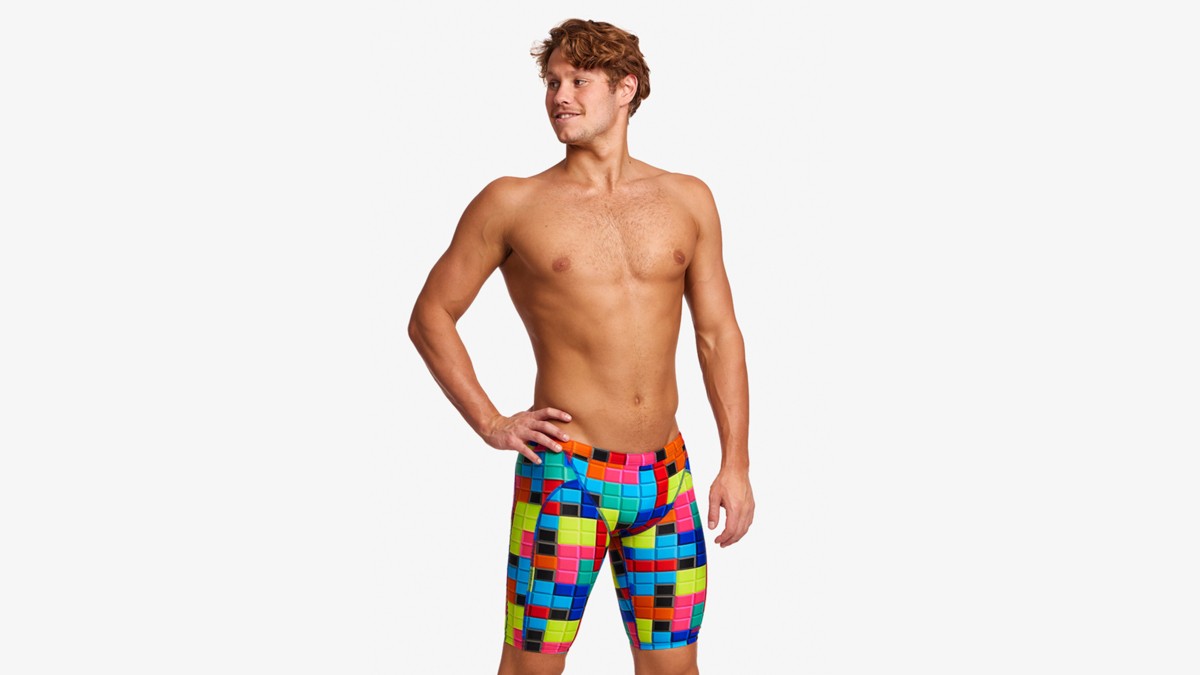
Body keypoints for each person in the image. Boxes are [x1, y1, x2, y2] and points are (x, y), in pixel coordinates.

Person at [409, 18, 754, 675]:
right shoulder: (513, 202)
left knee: (675, 668)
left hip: (666, 479)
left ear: (626, 88)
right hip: (567, 475)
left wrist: (734, 463)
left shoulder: (688, 199)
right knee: (532, 667)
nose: (559, 96)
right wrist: (491, 421)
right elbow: (431, 314)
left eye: (578, 80)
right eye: (552, 81)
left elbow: (718, 333)